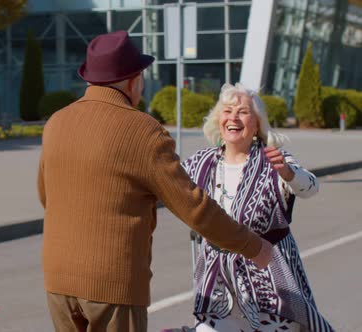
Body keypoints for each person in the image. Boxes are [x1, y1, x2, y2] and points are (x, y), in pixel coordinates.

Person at [37, 30, 273, 332]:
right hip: (112, 284)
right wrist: (252, 245)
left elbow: (47, 195)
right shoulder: (142, 130)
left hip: (58, 279)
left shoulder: (56, 121)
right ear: (134, 80)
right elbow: (193, 207)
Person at [182, 83, 334, 331]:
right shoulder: (201, 162)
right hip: (218, 279)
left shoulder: (274, 160)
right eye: (227, 110)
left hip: (270, 278)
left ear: (256, 124)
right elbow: (168, 185)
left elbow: (311, 187)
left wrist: (287, 173)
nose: (233, 117)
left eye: (242, 112)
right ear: (219, 119)